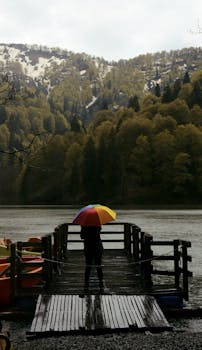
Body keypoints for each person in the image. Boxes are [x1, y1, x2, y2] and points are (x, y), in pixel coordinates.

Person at [80, 225, 104, 292]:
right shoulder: (97, 224)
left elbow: (82, 236)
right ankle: (101, 283)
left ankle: (86, 284)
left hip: (88, 247)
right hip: (97, 246)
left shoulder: (84, 225)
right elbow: (98, 232)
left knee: (88, 266)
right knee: (98, 265)